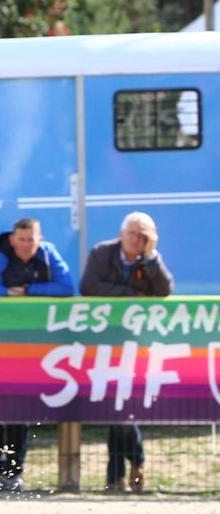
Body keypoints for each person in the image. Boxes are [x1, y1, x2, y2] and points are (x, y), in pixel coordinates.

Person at [0, 217, 75, 492]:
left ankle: (15, 472)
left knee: (21, 412)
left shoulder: (49, 257)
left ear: (39, 239)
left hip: (32, 349)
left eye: (30, 240)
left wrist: (30, 291)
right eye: (21, 240)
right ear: (12, 239)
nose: (25, 245)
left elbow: (66, 288)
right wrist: (5, 292)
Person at [79, 211, 173, 493]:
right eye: (132, 233)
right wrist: (131, 295)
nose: (136, 239)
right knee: (117, 408)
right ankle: (131, 465)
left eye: (143, 235)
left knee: (123, 408)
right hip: (105, 341)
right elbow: (89, 287)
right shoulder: (102, 253)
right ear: (122, 233)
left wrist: (152, 258)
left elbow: (165, 290)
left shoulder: (151, 260)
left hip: (138, 344)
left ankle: (116, 476)